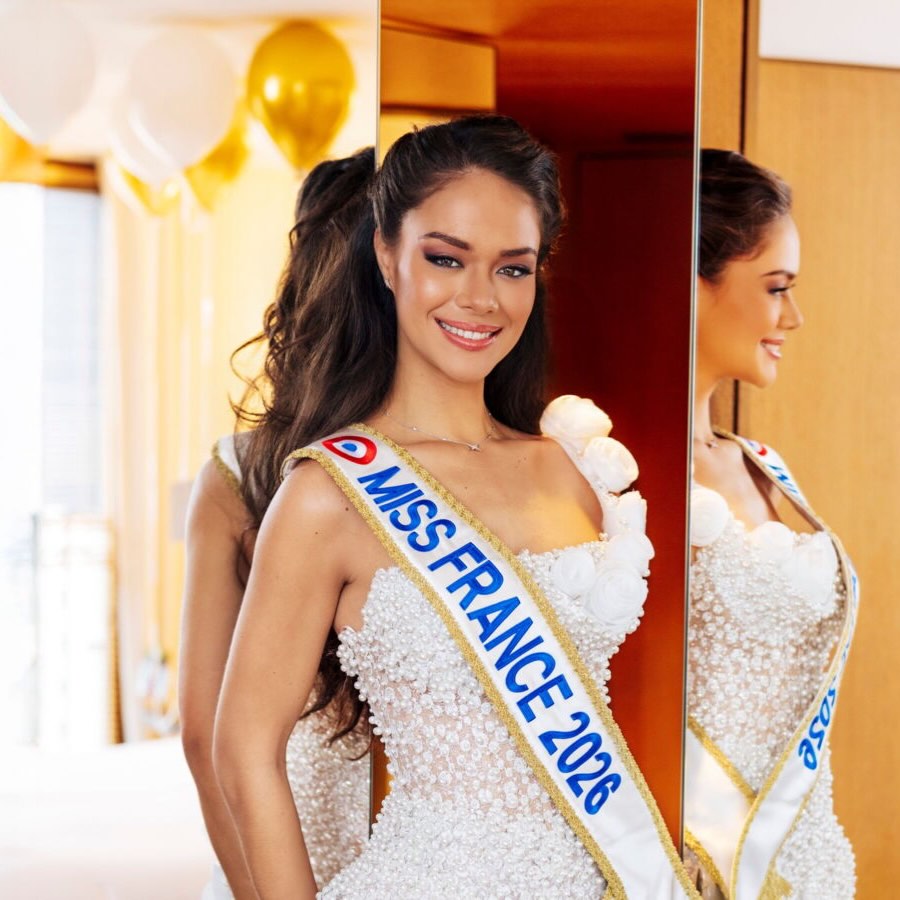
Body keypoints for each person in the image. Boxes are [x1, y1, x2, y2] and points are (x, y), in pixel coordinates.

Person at [213, 116, 694, 898]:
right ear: (387, 256)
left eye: (513, 269)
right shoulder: (329, 493)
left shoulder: (570, 466)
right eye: (445, 259)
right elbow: (242, 750)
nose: (480, 299)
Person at [179, 148, 376, 900]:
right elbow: (206, 737)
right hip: (296, 833)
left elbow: (203, 732)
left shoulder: (238, 469)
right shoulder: (241, 473)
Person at [685, 149, 857, 898]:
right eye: (776, 288)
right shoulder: (608, 472)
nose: (794, 317)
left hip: (803, 846)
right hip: (694, 854)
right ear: (693, 284)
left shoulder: (761, 464)